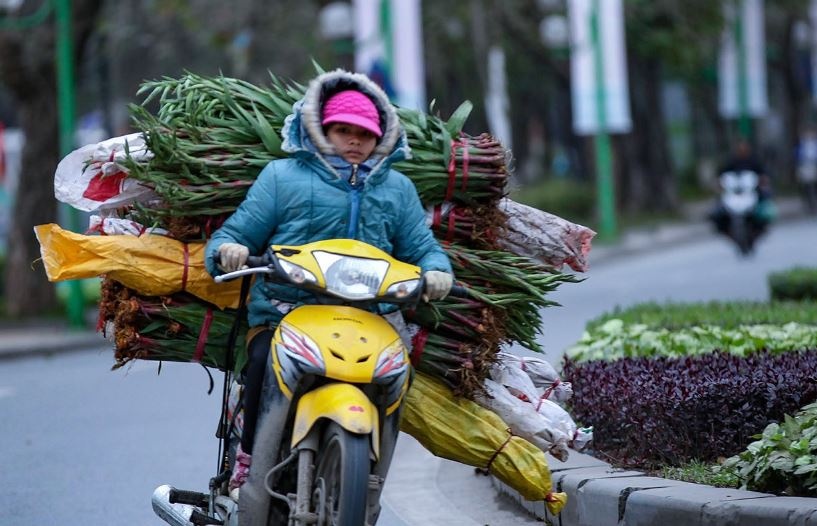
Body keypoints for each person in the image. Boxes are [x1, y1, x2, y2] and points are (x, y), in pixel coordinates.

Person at [205, 69, 454, 493]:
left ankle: (368, 476)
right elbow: (231, 236)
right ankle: (246, 461)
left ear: (382, 137)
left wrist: (437, 271)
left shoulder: (397, 189)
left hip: (368, 320)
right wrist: (228, 252)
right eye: (342, 130)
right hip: (285, 315)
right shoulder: (282, 179)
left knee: (396, 378)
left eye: (365, 133)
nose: (354, 141)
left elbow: (423, 247)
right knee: (262, 360)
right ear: (322, 130)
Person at [710, 138, 774, 244]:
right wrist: (718, 183)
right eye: (740, 148)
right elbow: (720, 175)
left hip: (751, 191)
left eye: (744, 147)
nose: (742, 150)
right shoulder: (731, 161)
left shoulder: (754, 161)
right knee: (717, 209)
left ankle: (761, 227)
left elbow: (763, 174)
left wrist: (763, 180)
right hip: (734, 192)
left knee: (765, 201)